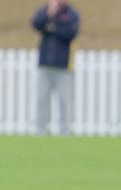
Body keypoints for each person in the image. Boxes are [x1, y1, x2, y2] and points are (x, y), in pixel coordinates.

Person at [31, 0, 80, 136]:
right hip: (45, 63)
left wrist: (52, 28)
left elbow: (71, 32)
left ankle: (64, 130)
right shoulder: (45, 10)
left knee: (64, 99)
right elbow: (36, 24)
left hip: (63, 65)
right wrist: (49, 15)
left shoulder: (71, 14)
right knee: (42, 98)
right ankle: (41, 130)